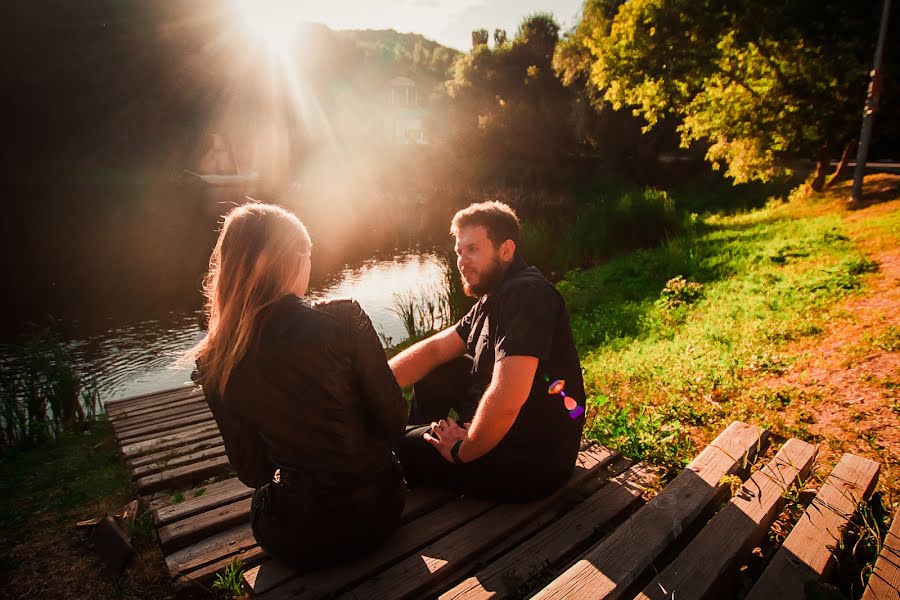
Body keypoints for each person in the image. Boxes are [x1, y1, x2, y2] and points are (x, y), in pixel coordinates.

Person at [187, 203, 407, 568]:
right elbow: (394, 421)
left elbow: (253, 472)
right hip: (380, 510)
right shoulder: (345, 318)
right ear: (294, 259)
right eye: (308, 256)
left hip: (300, 537)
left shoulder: (216, 360)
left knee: (260, 504)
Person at [390, 201, 586, 502]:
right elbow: (434, 351)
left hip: (532, 464)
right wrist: (371, 382)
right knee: (440, 372)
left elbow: (508, 397)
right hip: (507, 437)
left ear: (506, 250)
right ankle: (424, 460)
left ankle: (421, 463)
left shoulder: (527, 294)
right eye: (459, 252)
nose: (462, 261)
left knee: (395, 445)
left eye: (473, 249)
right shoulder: (493, 298)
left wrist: (463, 449)